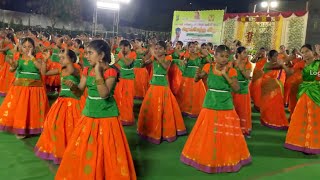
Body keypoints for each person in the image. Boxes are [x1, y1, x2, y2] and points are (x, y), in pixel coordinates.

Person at [55, 40, 136, 179]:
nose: (86, 56)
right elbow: (79, 92)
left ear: (101, 55)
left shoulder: (110, 71)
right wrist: (73, 86)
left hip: (106, 116)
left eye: (90, 53)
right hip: (89, 114)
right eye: (86, 53)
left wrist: (98, 72)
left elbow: (104, 94)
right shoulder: (86, 70)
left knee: (107, 149)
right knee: (87, 148)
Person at [181, 45, 251, 173]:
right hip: (210, 104)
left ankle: (225, 158)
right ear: (215, 56)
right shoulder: (208, 67)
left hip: (226, 105)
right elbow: (197, 79)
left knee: (225, 133)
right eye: (221, 56)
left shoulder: (232, 70)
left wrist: (225, 75)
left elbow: (236, 88)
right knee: (208, 132)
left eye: (226, 56)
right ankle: (206, 157)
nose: (224, 59)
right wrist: (197, 75)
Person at [35, 49, 84, 164]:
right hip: (61, 102)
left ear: (72, 59)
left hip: (74, 102)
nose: (60, 60)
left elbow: (72, 70)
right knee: (55, 126)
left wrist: (69, 56)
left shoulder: (77, 69)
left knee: (73, 127)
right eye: (60, 57)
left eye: (63, 57)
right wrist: (45, 60)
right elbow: (44, 73)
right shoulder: (61, 70)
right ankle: (61, 151)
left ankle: (73, 152)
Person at [137, 41, 186, 144]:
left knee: (164, 109)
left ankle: (163, 131)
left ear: (165, 50)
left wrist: (155, 56)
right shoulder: (153, 58)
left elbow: (165, 67)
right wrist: (144, 59)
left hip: (163, 87)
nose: (157, 50)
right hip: (153, 87)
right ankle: (150, 130)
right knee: (152, 108)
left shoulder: (168, 58)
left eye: (159, 48)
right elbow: (143, 65)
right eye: (156, 48)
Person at [0, 37, 49, 139]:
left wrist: (31, 57)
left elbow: (42, 70)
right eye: (25, 46)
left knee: (32, 109)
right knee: (20, 109)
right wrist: (13, 65)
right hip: (20, 88)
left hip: (34, 89)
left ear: (33, 48)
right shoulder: (18, 57)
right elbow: (12, 69)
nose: (27, 49)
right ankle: (20, 129)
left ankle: (31, 128)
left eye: (29, 47)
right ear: (21, 47)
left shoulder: (37, 58)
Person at [285, 44, 320, 154]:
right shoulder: (300, 64)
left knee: (314, 118)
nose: (304, 54)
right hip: (304, 92)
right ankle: (301, 143)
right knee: (300, 117)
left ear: (312, 52)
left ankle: (312, 144)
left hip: (315, 92)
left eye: (306, 51)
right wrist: (284, 64)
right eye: (302, 52)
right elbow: (290, 72)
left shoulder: (317, 63)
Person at [260, 50, 289, 130]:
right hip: (267, 87)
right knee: (267, 103)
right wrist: (282, 64)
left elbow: (283, 64)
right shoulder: (267, 65)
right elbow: (277, 67)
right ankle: (267, 120)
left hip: (275, 88)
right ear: (270, 57)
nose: (276, 57)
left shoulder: (276, 64)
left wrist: (284, 61)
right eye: (274, 56)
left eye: (277, 56)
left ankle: (276, 120)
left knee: (276, 103)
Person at [114, 40, 136, 125]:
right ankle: (120, 117)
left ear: (129, 47)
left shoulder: (133, 54)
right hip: (120, 79)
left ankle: (127, 118)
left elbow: (127, 63)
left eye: (125, 46)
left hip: (129, 79)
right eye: (121, 47)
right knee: (119, 97)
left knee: (127, 99)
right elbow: (113, 63)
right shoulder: (120, 55)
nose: (123, 49)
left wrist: (121, 55)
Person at [231, 46, 252, 136]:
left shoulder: (248, 64)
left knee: (242, 109)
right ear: (238, 54)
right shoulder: (233, 63)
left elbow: (247, 76)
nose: (246, 54)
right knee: (233, 108)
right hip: (233, 88)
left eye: (246, 52)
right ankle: (232, 126)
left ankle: (243, 128)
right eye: (244, 53)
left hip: (243, 88)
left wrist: (241, 68)